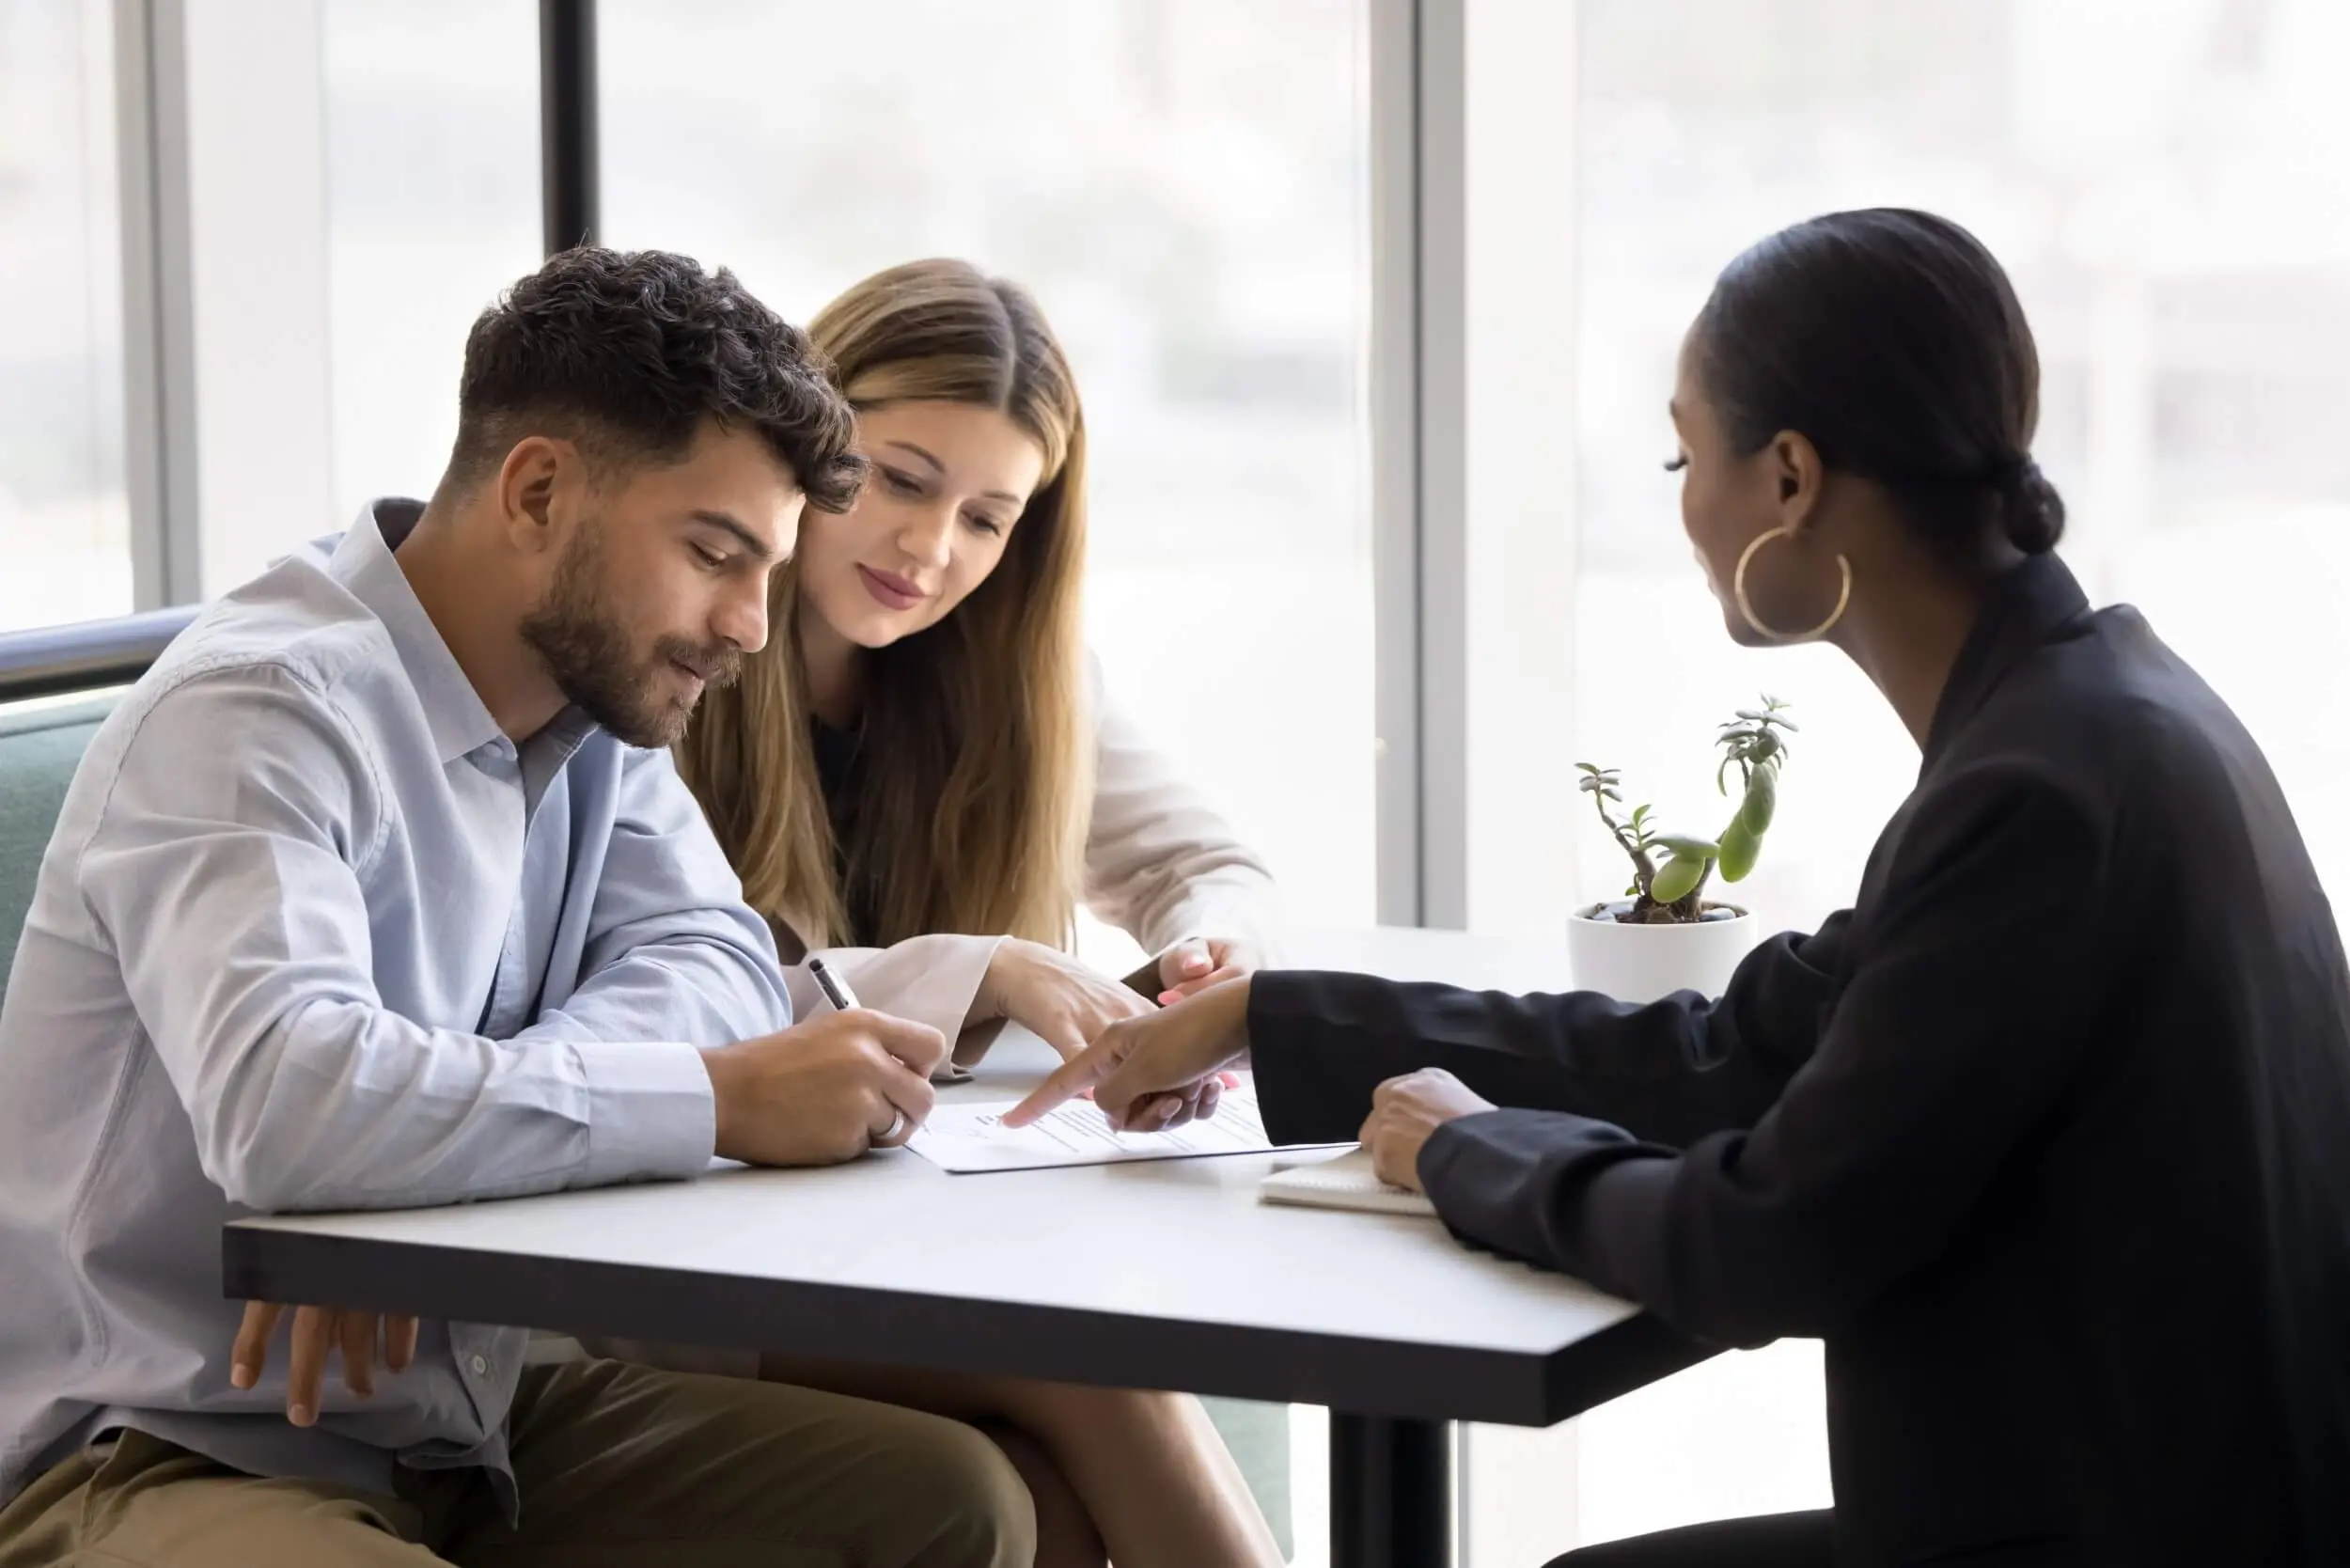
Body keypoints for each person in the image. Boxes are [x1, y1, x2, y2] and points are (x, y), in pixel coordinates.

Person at [1009, 209, 2350, 1567]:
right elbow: (1731, 1050)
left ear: (1789, 481)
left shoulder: (2038, 795)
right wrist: (1270, 1018)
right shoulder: (2092, 717)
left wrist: (1469, 1150)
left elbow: (1770, 1239)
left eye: (1681, 454)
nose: (1682, 506)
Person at [0, 247, 1036, 1567]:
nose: (752, 626)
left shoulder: (593, 698)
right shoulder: (261, 710)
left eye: (767, 568)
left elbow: (715, 955)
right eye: (715, 553)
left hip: (456, 1421)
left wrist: (409, 1192)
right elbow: (291, 1105)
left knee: (952, 1501)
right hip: (159, 1442)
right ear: (539, 489)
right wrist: (718, 1100)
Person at [656, 259, 1286, 1568]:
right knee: (1096, 1373)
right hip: (685, 1255)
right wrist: (985, 969)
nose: (930, 553)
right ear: (804, 440)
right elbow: (678, 1009)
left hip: (907, 1234)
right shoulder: (673, 654)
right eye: (901, 480)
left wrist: (1212, 956)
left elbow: (1206, 863)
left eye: (990, 520)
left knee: (1044, 1514)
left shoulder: (1017, 675)